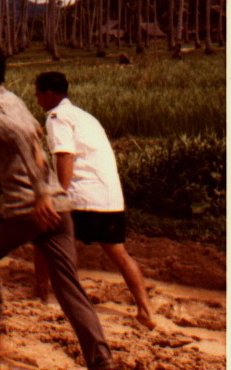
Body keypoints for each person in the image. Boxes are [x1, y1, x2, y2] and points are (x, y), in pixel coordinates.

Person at [0, 37, 119, 370]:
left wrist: (40, 192)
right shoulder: (12, 100)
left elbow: (20, 139)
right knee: (69, 288)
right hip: (58, 205)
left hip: (29, 207)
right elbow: (30, 135)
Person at [34, 71, 156, 330]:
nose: (37, 100)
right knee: (119, 253)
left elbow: (64, 156)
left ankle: (40, 294)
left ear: (50, 94)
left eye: (38, 94)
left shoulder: (57, 117)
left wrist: (57, 194)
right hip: (109, 196)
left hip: (83, 195)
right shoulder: (85, 116)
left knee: (43, 234)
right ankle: (145, 310)